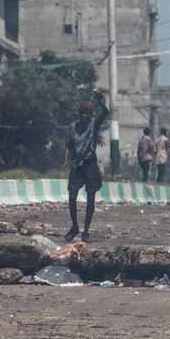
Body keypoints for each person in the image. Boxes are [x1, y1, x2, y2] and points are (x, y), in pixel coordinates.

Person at [65, 94, 106, 239]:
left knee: (91, 197)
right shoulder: (72, 127)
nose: (84, 116)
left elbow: (105, 113)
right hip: (76, 165)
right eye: (82, 113)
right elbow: (69, 146)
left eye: (87, 113)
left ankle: (86, 231)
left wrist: (101, 101)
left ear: (90, 115)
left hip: (90, 164)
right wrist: (67, 161)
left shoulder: (93, 124)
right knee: (72, 195)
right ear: (79, 114)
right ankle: (74, 227)